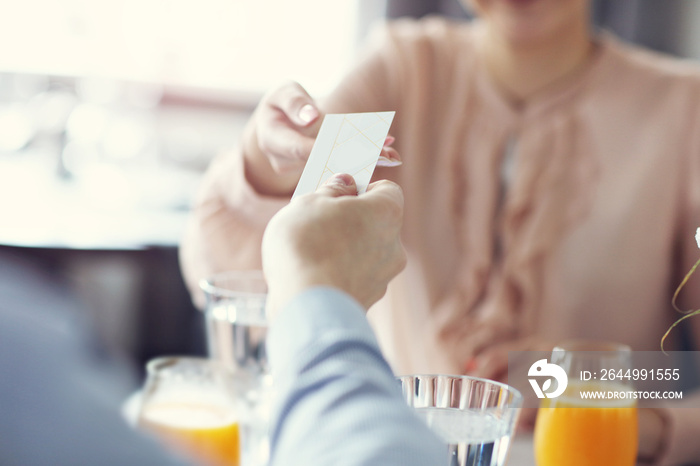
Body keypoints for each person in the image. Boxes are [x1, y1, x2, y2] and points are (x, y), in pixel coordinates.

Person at [178, 0, 700, 463]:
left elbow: (686, 375)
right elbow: (233, 277)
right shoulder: (402, 68)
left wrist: (596, 398)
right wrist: (264, 164)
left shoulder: (683, 109)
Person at [0, 175, 445, 465]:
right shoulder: (407, 61)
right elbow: (221, 248)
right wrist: (256, 173)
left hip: (489, 408)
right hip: (399, 421)